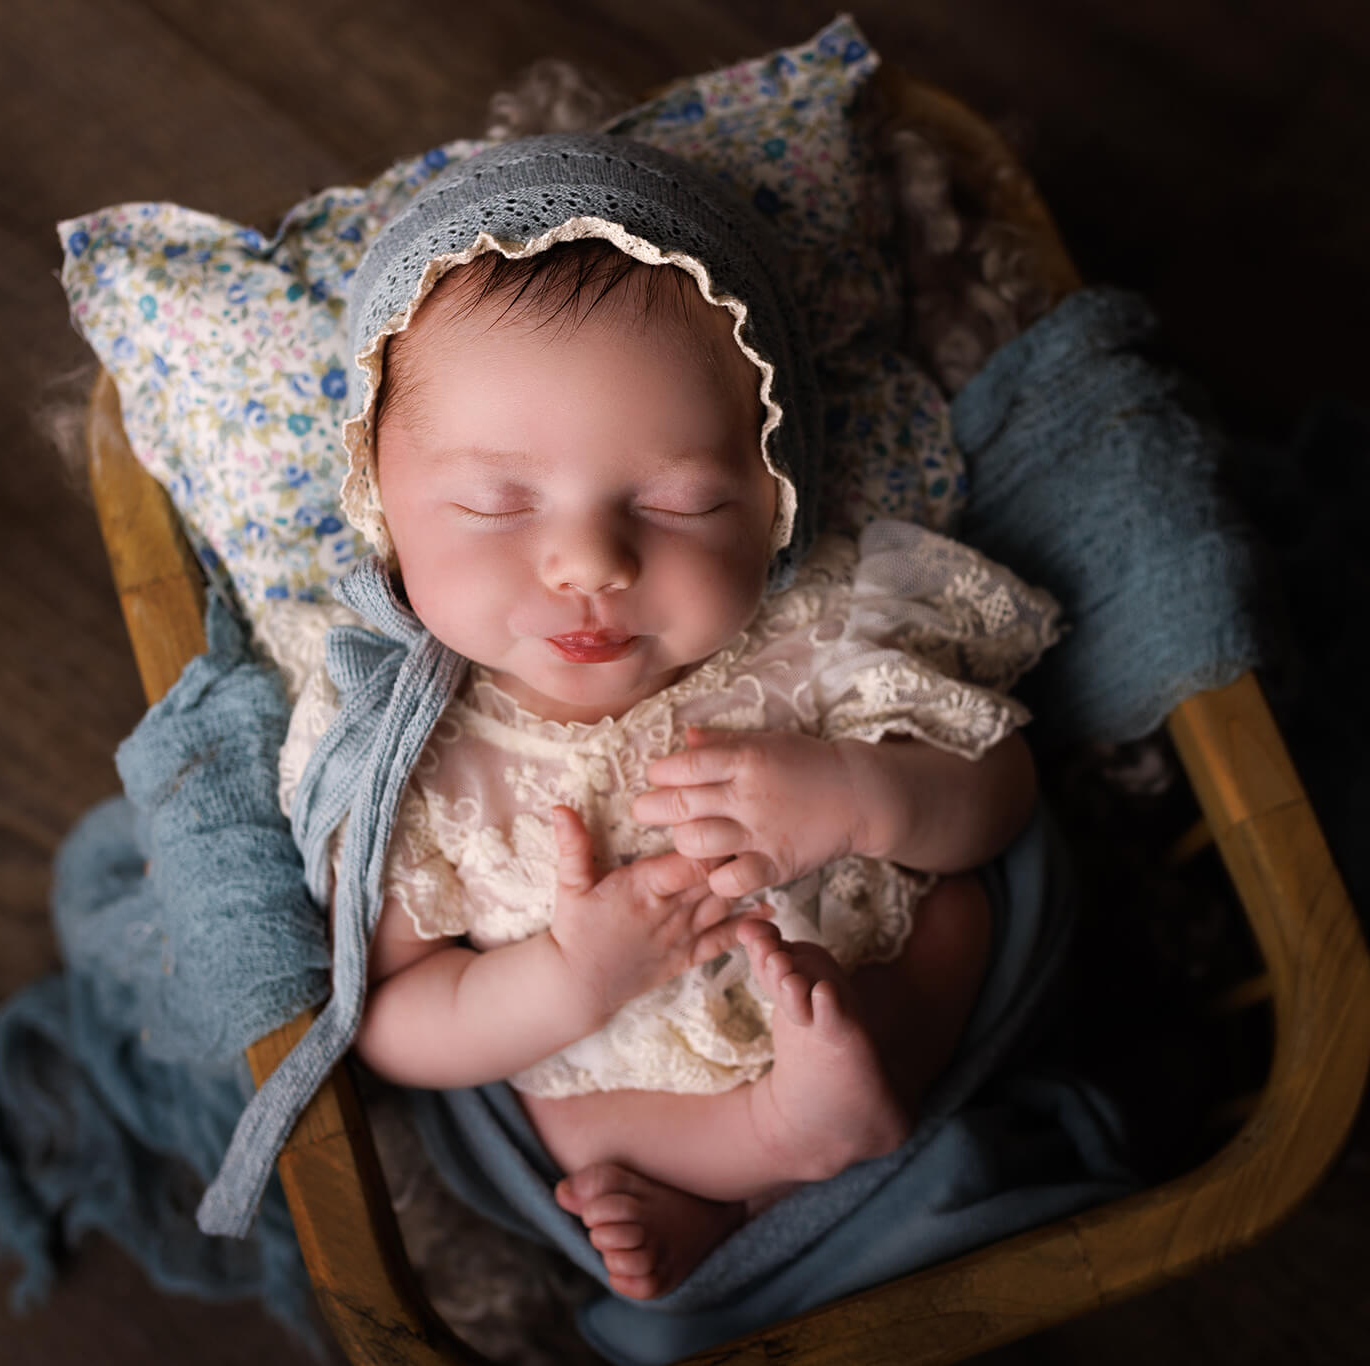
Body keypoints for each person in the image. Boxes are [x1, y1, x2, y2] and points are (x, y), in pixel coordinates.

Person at [258, 135, 1060, 1299]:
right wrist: (568, 979)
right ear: (378, 506)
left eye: (679, 501)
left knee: (957, 919)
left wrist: (858, 792)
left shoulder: (817, 627)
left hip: (866, 987)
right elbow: (391, 1020)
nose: (588, 561)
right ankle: (768, 1151)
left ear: (773, 489)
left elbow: (1000, 792)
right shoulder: (410, 754)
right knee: (559, 1109)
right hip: (625, 1062)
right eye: (492, 503)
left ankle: (784, 1154)